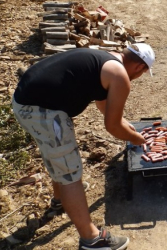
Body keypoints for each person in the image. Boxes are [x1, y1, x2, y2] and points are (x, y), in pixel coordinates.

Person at [12, 43, 155, 250]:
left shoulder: (106, 59)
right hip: (42, 111)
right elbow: (111, 126)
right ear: (140, 67)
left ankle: (60, 199)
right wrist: (136, 138)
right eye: (143, 72)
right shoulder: (121, 76)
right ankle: (92, 239)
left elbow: (103, 105)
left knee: (57, 156)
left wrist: (125, 124)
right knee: (70, 174)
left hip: (26, 101)